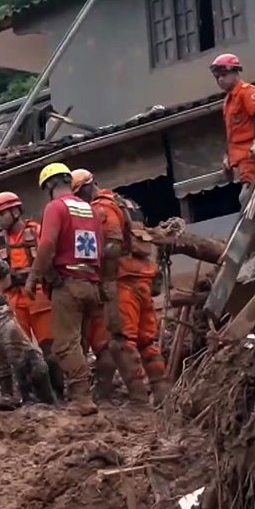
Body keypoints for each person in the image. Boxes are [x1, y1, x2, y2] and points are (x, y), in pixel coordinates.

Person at [72, 169, 169, 404]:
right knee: (147, 341)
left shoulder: (101, 207)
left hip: (123, 278)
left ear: (85, 188)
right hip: (143, 274)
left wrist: (106, 280)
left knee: (121, 341)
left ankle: (139, 400)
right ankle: (164, 394)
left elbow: (112, 246)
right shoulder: (126, 202)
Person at [28, 162, 102, 416]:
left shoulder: (55, 207)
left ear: (49, 185)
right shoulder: (89, 209)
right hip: (91, 282)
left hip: (68, 284)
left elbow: (47, 244)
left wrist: (35, 277)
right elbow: (101, 247)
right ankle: (79, 394)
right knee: (79, 343)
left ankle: (82, 398)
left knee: (65, 345)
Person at [0, 192, 60, 402]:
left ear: (15, 211)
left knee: (50, 350)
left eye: (1, 214)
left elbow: (50, 257)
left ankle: (57, 394)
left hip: (38, 297)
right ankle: (28, 398)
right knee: (18, 353)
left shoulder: (37, 232)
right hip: (13, 300)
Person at [211, 53, 255, 207]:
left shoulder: (247, 92)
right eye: (217, 77)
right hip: (241, 158)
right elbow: (232, 132)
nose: (220, 80)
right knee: (247, 198)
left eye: (223, 75)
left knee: (247, 198)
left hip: (252, 155)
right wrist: (227, 157)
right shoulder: (228, 101)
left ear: (235, 72)